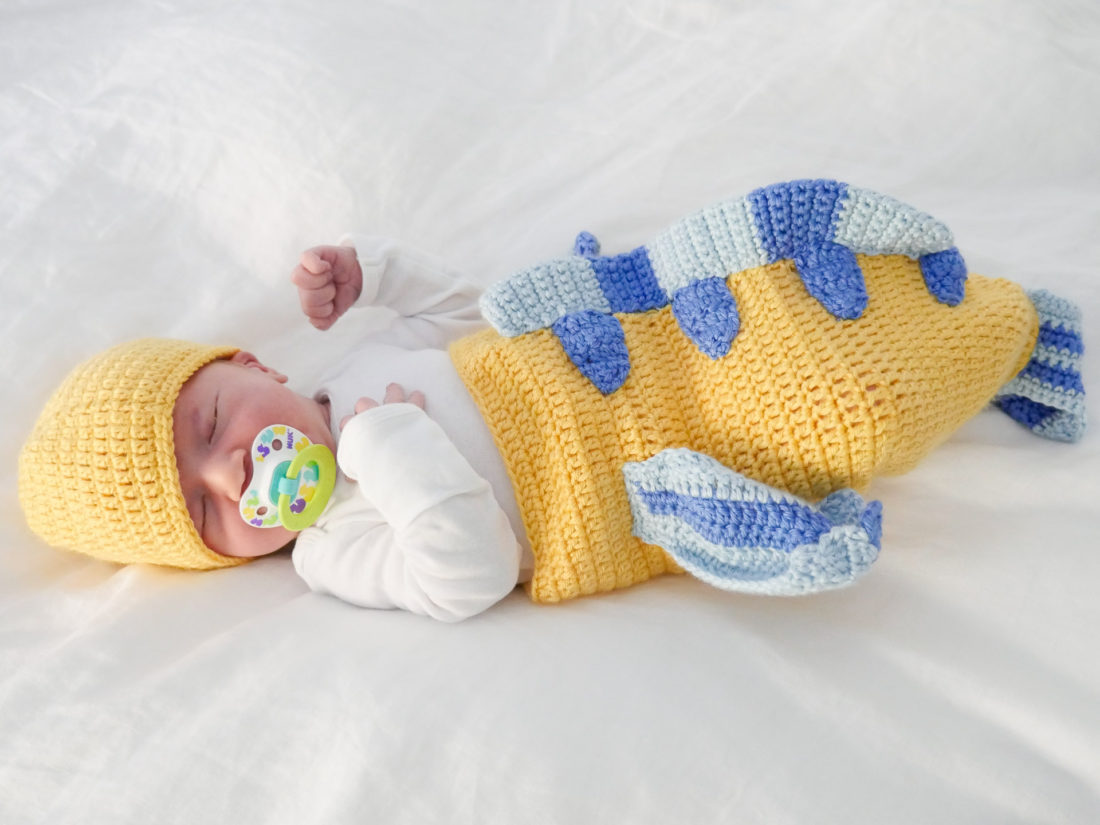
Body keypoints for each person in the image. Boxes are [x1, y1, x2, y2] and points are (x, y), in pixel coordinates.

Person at [18, 180, 1086, 622]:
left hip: (630, 358)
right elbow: (467, 577)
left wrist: (374, 278)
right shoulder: (330, 548)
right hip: (641, 464)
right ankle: (1017, 343)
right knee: (848, 411)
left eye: (209, 428)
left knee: (787, 301)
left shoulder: (349, 369)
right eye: (206, 511)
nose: (236, 475)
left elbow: (467, 314)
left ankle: (965, 304)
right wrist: (384, 447)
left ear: (252, 364)